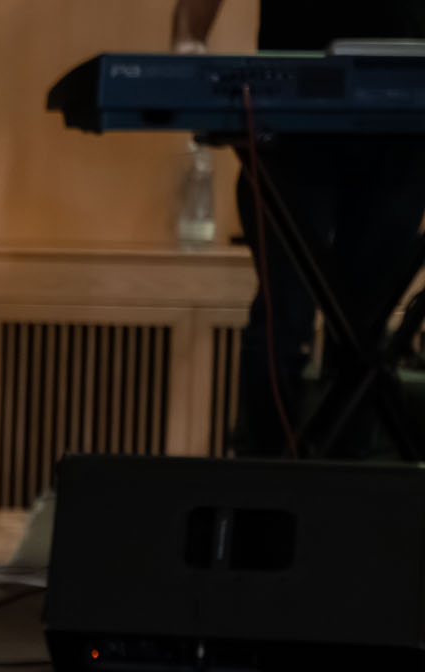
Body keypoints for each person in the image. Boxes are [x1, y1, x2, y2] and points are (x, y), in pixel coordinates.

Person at [172, 0, 425, 457]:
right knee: (284, 317)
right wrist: (188, 41)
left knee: (365, 328)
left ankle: (346, 482)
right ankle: (268, 475)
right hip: (293, 119)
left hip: (402, 127)